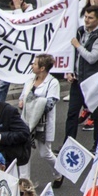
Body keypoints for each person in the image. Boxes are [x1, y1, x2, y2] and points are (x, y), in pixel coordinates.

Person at [65, 5, 98, 151]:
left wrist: (78, 45)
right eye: (85, 16)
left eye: (90, 18)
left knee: (97, 114)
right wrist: (70, 70)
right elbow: (74, 56)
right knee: (72, 114)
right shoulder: (80, 32)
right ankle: (68, 144)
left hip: (94, 82)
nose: (86, 20)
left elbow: (92, 58)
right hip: (78, 80)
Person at [19, 54, 61, 185]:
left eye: (35, 64)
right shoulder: (29, 81)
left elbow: (49, 104)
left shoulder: (53, 83)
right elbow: (23, 97)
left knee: (44, 153)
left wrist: (32, 104)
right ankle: (25, 182)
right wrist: (22, 102)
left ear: (42, 68)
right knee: (24, 151)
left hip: (43, 124)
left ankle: (58, 172)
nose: (32, 65)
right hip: (26, 122)